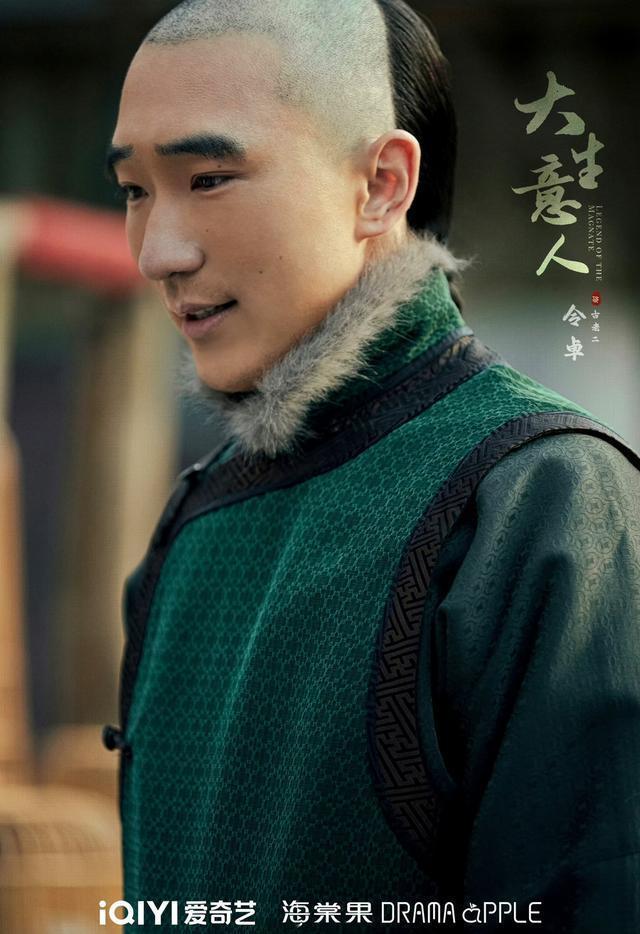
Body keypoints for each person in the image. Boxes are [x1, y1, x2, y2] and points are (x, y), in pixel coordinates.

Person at [102, 1, 640, 930]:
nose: (157, 253)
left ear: (383, 185)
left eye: (210, 178)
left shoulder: (542, 498)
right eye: (134, 190)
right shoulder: (193, 528)